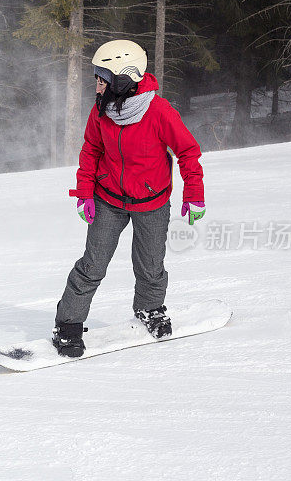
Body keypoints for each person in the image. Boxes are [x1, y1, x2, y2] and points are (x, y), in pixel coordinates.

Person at [52, 40, 206, 358]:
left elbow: (188, 151)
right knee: (91, 266)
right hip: (108, 199)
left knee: (150, 268)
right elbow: (91, 150)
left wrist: (194, 194)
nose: (96, 84)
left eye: (102, 78)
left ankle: (149, 311)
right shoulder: (101, 112)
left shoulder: (158, 111)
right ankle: (67, 327)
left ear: (124, 77)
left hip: (151, 203)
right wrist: (84, 192)